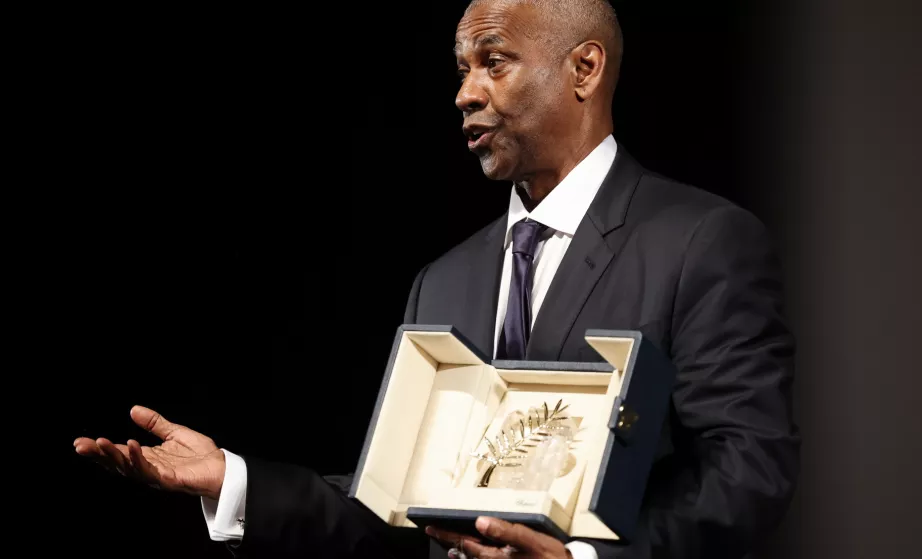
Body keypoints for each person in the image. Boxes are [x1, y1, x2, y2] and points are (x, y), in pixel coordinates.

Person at [74, 0, 799, 557]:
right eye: (462, 69)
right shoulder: (444, 280)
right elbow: (395, 508)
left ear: (584, 69)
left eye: (494, 61)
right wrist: (234, 479)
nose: (465, 93)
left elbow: (749, 470)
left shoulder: (702, 241)